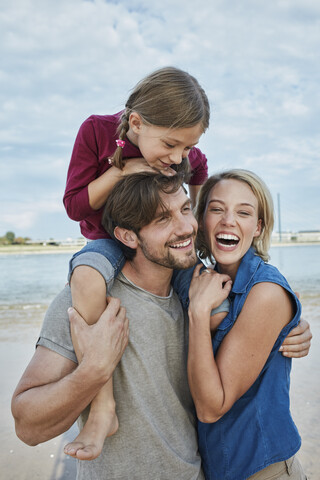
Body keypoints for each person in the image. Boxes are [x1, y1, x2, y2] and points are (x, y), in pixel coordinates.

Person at [11, 173, 311, 479]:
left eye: (184, 210)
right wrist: (95, 370)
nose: (185, 227)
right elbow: (27, 426)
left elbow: (263, 309)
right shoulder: (90, 305)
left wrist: (292, 323)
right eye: (163, 219)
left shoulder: (207, 298)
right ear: (128, 236)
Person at [62, 66, 210, 457]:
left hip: (159, 249)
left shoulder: (182, 150)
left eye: (187, 148)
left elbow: (202, 168)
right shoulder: (95, 131)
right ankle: (103, 406)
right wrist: (123, 169)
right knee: (89, 279)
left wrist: (186, 216)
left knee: (218, 294)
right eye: (172, 146)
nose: (179, 158)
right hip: (109, 240)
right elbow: (75, 205)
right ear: (137, 123)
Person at [187, 169, 307, 480]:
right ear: (202, 221)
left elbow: (212, 408)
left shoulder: (266, 292)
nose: (228, 220)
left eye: (244, 212)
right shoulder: (204, 280)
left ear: (258, 227)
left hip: (264, 472)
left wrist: (199, 314)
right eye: (216, 209)